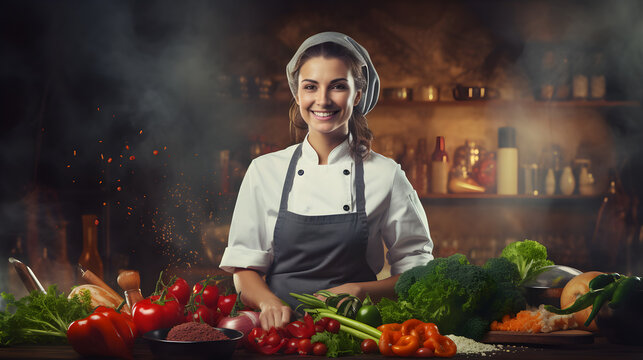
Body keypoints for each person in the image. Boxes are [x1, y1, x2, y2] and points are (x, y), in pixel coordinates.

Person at [219, 32, 433, 330]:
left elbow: (417, 269)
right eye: (310, 87)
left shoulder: (386, 174)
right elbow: (244, 269)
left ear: (357, 94)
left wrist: (361, 290)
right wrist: (269, 303)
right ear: (298, 94)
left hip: (354, 333)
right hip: (279, 335)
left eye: (338, 86)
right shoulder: (264, 171)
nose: (322, 100)